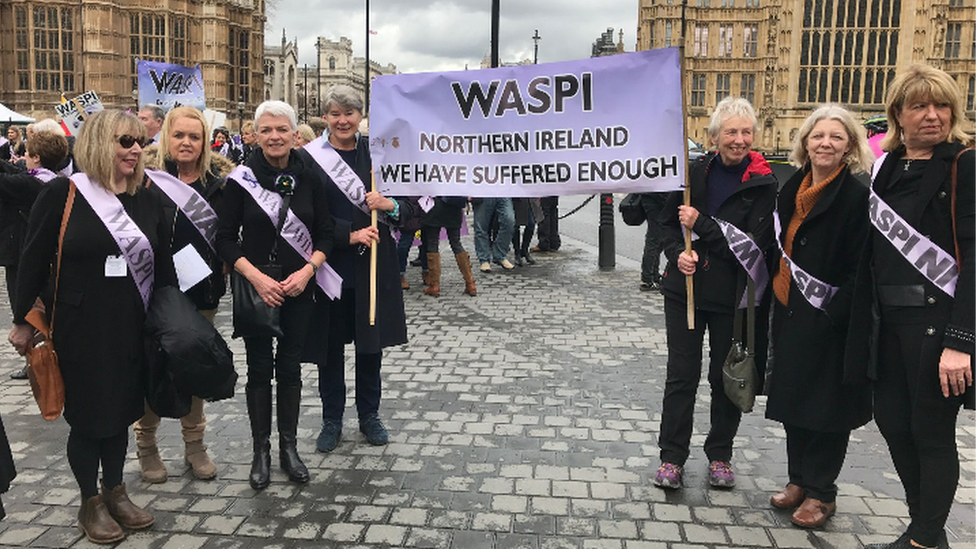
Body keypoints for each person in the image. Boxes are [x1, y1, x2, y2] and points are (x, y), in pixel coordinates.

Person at [9, 110, 177, 543]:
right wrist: (23, 321)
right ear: (100, 143)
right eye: (125, 141)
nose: (135, 148)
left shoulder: (146, 195)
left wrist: (174, 318)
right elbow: (30, 262)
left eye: (139, 140)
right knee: (88, 418)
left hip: (131, 324)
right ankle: (90, 502)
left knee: (122, 412)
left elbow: (162, 262)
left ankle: (116, 491)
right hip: (80, 326)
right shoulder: (64, 193)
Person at [847, 65, 976, 549]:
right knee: (894, 425)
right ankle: (925, 529)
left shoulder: (964, 164)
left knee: (930, 432)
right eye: (919, 105)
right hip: (887, 323)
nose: (932, 116)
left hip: (936, 324)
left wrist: (961, 341)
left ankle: (924, 538)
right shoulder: (886, 167)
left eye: (941, 105)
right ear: (897, 113)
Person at [654, 97, 777, 490]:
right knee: (681, 377)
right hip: (685, 292)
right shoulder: (691, 175)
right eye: (731, 132)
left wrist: (703, 226)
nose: (739, 140)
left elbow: (754, 247)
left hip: (734, 296)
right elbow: (668, 228)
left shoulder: (765, 183)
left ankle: (720, 453)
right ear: (713, 138)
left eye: (745, 132)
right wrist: (677, 255)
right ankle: (672, 457)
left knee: (726, 377)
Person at [765, 104, 874, 529]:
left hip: (831, 317)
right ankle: (798, 479)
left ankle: (821, 492)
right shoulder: (791, 187)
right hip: (791, 308)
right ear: (805, 142)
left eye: (835, 137)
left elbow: (859, 266)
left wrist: (835, 312)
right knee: (794, 400)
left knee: (827, 407)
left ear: (849, 147)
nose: (825, 143)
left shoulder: (855, 195)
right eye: (817, 136)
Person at [215, 100, 334, 491]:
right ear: (255, 134)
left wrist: (308, 270)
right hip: (258, 288)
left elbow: (327, 233)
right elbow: (226, 240)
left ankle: (288, 447)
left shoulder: (311, 177)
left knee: (291, 367)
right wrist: (255, 278)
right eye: (266, 130)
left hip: (299, 287)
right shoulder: (241, 179)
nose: (274, 136)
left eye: (281, 129)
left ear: (294, 133)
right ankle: (260, 451)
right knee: (259, 369)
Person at [303, 84, 411, 453]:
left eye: (349, 113)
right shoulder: (311, 158)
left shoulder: (380, 155)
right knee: (329, 350)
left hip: (373, 267)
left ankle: (369, 416)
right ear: (326, 117)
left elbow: (411, 208)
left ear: (361, 116)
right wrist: (348, 234)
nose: (342, 120)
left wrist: (390, 204)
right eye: (335, 113)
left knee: (370, 348)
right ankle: (332, 418)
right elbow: (304, 216)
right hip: (329, 266)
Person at [134, 106, 229, 484]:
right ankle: (147, 445)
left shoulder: (219, 186)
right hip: (155, 293)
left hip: (200, 293)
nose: (186, 142)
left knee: (195, 369)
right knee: (153, 369)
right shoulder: (146, 182)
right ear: (165, 138)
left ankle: (195, 446)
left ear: (205, 142)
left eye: (194, 136)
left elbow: (228, 237)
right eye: (179, 135)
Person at [2, 131, 69, 380]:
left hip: (22, 254)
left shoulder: (29, 185)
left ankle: (36, 361)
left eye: (27, 155)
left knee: (28, 309)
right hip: (47, 255)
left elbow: (7, 180)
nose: (24, 159)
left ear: (37, 158)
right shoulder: (58, 181)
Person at [420, 196, 477, 297]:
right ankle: (470, 283)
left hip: (435, 206)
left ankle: (434, 285)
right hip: (453, 206)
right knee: (456, 243)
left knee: (432, 243)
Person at [472, 196, 516, 272]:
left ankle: (500, 255)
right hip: (483, 192)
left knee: (509, 221)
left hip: (503, 191)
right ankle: (484, 259)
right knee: (481, 226)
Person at [639, 193, 668, 291]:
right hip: (656, 202)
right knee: (654, 241)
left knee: (657, 240)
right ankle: (647, 279)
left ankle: (653, 275)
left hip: (653, 200)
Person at [511, 198, 542, 267]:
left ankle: (524, 250)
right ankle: (517, 253)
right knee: (516, 225)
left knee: (531, 224)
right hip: (517, 198)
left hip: (530, 198)